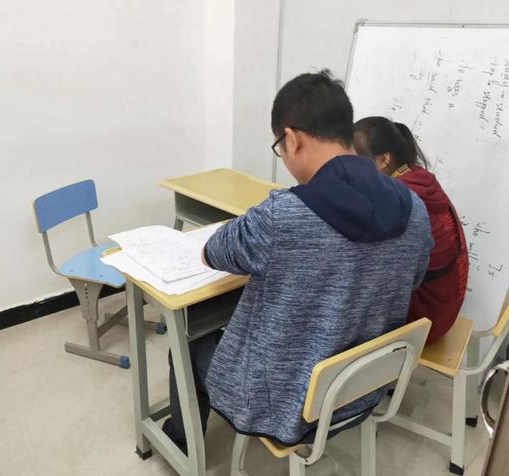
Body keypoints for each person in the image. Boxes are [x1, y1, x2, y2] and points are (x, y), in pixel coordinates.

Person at [163, 70, 433, 450]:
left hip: (284, 405)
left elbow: (213, 251)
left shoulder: (283, 215)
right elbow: (414, 277)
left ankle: (180, 444)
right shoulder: (415, 208)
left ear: (291, 139)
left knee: (186, 346)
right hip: (362, 389)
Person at [353, 117, 469, 343]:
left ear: (384, 159)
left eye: (355, 163)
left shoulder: (399, 200)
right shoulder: (419, 179)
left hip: (424, 322)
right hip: (445, 307)